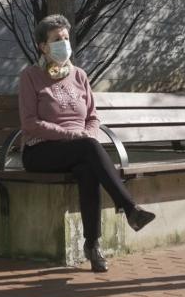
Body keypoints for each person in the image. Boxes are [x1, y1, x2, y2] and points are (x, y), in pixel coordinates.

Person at [17, 15, 156, 272]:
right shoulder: (31, 76)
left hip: (79, 150)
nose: (64, 44)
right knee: (89, 148)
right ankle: (129, 208)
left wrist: (87, 133)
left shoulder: (79, 76)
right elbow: (29, 123)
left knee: (87, 168)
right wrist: (73, 136)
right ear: (42, 46)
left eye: (66, 38)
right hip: (41, 150)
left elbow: (92, 118)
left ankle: (92, 245)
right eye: (57, 39)